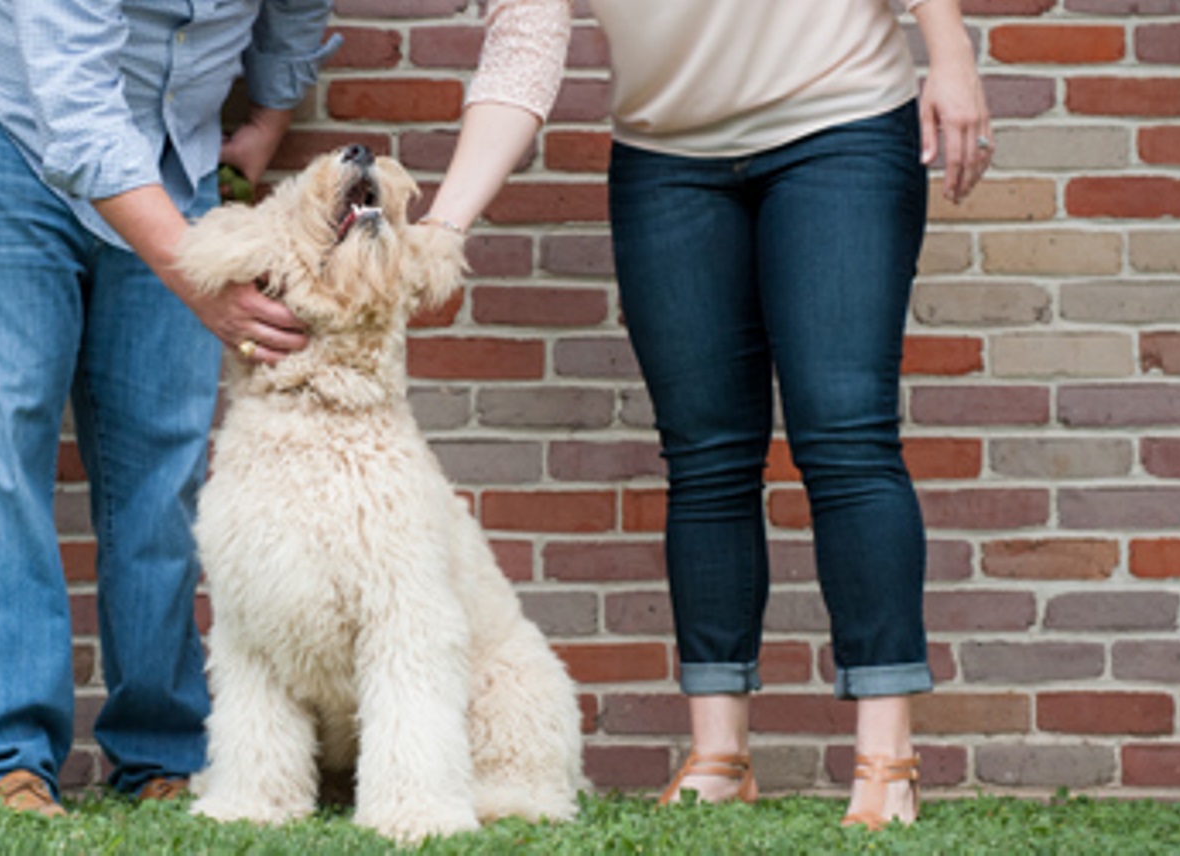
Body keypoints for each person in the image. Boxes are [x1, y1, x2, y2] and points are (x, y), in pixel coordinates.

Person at [419, 0, 991, 829]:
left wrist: (951, 52)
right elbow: (522, 50)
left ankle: (886, 761)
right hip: (666, 159)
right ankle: (719, 758)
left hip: (840, 126)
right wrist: (443, 226)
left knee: (844, 434)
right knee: (706, 456)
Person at [0, 1, 337, 814]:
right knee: (3, 435)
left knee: (164, 456)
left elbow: (297, 6)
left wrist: (269, 115)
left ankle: (162, 752)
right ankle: (7, 762)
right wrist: (198, 275)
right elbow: (71, 95)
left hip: (173, 140)